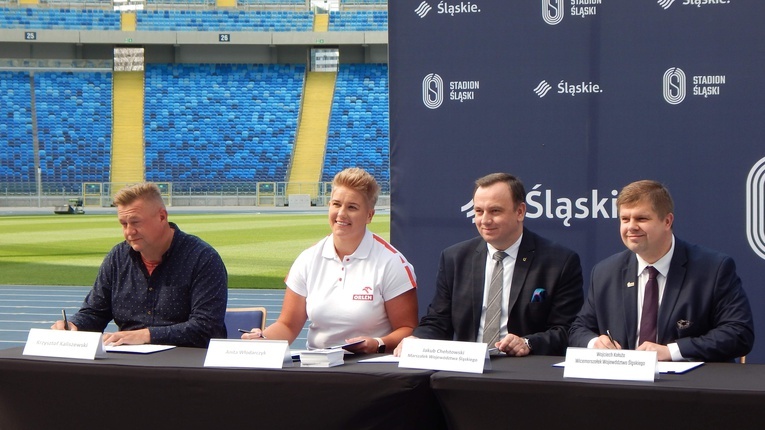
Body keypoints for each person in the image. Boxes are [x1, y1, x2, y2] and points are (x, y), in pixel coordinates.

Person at [395, 172, 583, 357]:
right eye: (479, 211)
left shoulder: (559, 262)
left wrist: (528, 343)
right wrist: (418, 339)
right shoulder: (454, 258)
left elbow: (567, 331)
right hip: (466, 370)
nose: (485, 220)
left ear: (520, 211)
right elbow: (438, 321)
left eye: (495, 211)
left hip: (526, 372)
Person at [569, 180, 754, 362]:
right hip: (621, 387)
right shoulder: (604, 272)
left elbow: (738, 333)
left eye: (641, 218)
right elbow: (579, 329)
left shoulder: (713, 269)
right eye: (625, 219)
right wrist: (594, 343)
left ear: (667, 221)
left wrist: (671, 351)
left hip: (688, 386)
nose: (631, 226)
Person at [242, 168, 418, 354]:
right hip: (317, 365)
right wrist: (262, 339)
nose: (341, 213)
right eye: (336, 204)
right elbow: (287, 325)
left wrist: (377, 343)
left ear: (369, 215)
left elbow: (408, 329)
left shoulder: (392, 263)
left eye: (352, 207)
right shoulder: (308, 259)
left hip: (369, 369)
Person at [51, 182, 228, 348]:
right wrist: (74, 326)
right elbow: (95, 312)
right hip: (130, 365)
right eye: (123, 224)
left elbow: (206, 328)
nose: (129, 232)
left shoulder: (202, 258)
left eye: (135, 222)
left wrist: (146, 336)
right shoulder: (118, 258)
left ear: (162, 217)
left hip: (187, 369)